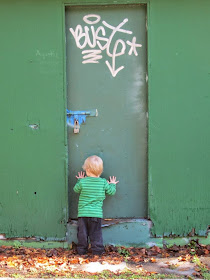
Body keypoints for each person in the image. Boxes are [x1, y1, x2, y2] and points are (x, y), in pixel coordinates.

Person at [73, 155, 119, 255]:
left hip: (83, 214)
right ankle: (97, 251)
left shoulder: (83, 182)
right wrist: (113, 184)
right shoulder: (103, 182)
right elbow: (111, 192)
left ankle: (81, 250)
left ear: (87, 170)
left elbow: (76, 189)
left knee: (82, 234)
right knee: (96, 234)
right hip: (96, 214)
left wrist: (79, 180)